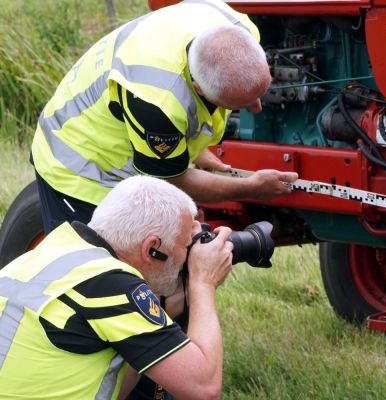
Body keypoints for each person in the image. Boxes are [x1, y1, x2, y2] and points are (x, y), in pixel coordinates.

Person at [30, 0, 298, 233]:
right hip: (82, 169)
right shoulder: (156, 98)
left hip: (128, 136)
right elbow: (173, 180)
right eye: (241, 104)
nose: (257, 108)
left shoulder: (238, 26)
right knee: (99, 275)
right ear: (198, 88)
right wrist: (251, 188)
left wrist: (190, 149)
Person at [0, 175, 234, 399]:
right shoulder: (110, 284)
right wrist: (203, 282)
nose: (187, 258)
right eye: (185, 248)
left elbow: (116, 384)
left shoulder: (55, 251)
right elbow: (204, 388)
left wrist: (161, 319)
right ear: (152, 248)